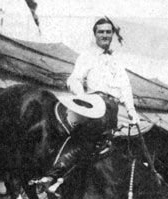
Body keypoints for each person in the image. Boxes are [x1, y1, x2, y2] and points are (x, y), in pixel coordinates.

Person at [51, 17, 140, 175]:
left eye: (108, 32)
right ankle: (56, 176)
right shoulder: (87, 56)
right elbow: (74, 79)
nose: (105, 35)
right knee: (89, 143)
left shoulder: (117, 61)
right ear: (95, 35)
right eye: (101, 32)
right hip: (96, 105)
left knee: (108, 148)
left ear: (112, 35)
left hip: (113, 109)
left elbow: (126, 87)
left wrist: (131, 110)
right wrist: (83, 98)